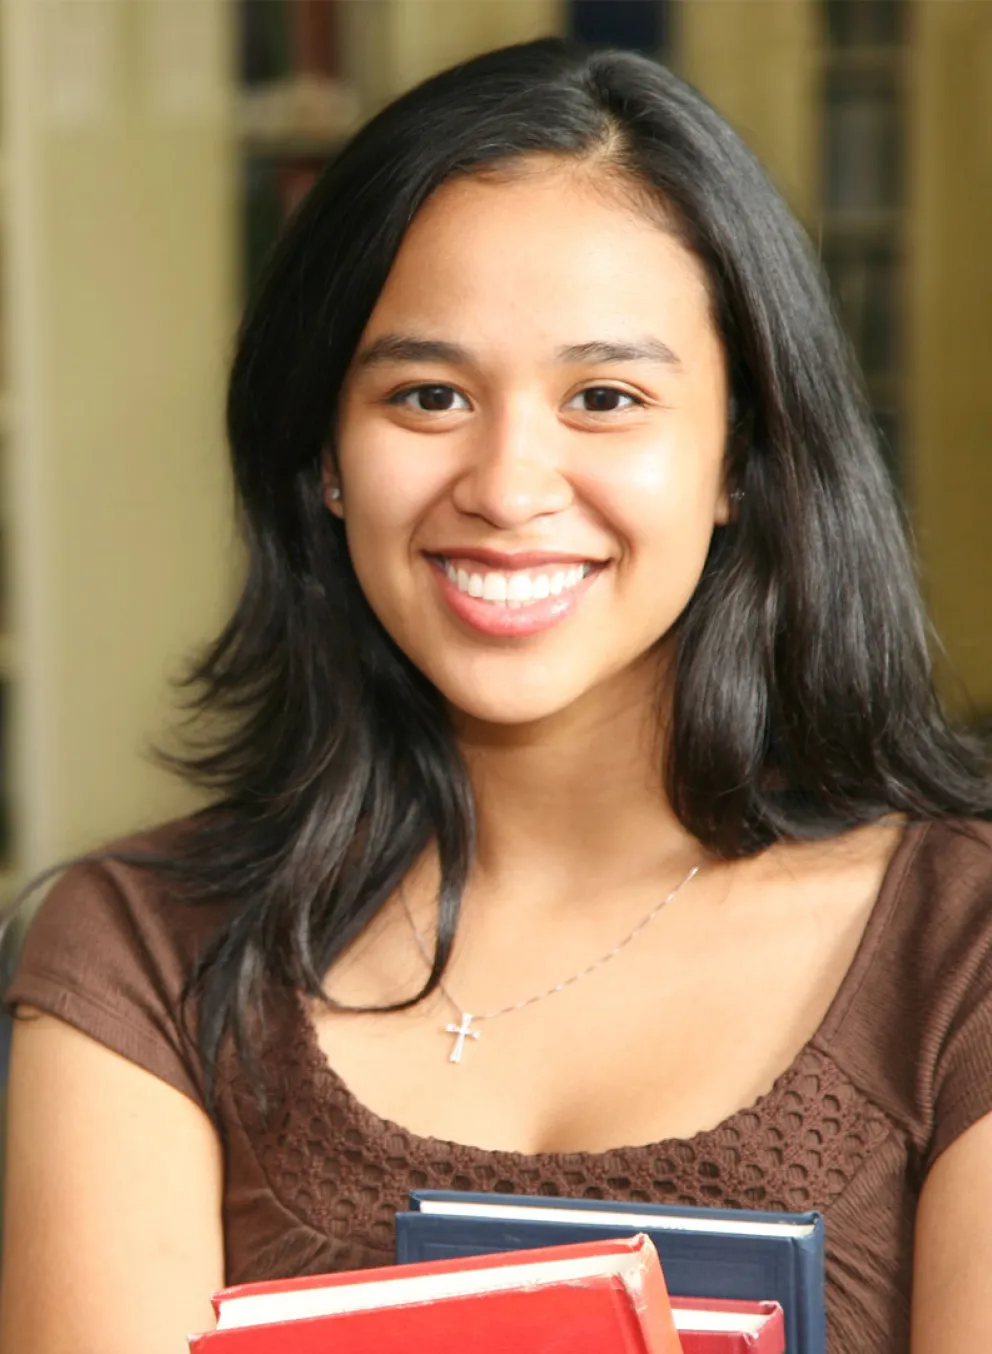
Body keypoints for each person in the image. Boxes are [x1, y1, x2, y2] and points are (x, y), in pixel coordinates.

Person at [1, 37, 990, 1354]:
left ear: (737, 459)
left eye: (604, 395)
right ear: (325, 458)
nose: (509, 483)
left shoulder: (960, 943)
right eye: (428, 394)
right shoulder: (143, 955)